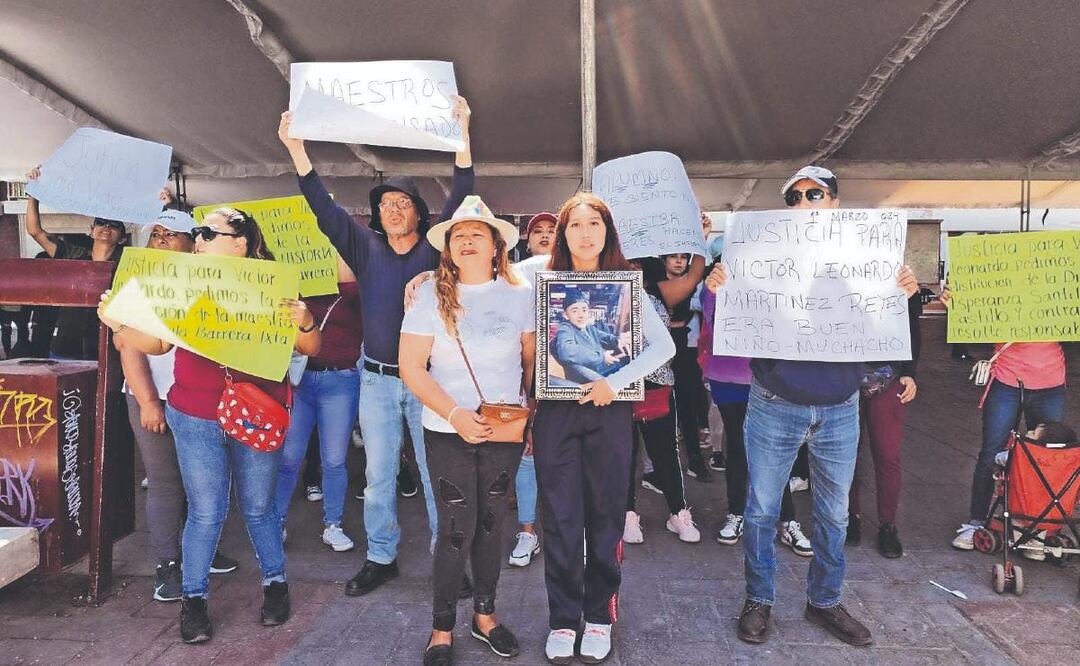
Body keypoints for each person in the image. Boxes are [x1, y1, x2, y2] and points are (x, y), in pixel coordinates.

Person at [705, 165, 918, 647]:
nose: (805, 203)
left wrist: (903, 291)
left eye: (815, 194)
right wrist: (718, 285)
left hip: (840, 404)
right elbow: (730, 314)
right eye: (796, 197)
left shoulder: (868, 258)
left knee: (835, 514)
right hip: (774, 402)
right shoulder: (759, 256)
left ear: (835, 204)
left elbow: (884, 322)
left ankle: (825, 600)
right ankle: (759, 598)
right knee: (760, 510)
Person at [278, 97, 475, 597]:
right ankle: (381, 556)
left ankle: (445, 562)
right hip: (378, 381)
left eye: (402, 203)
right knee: (379, 477)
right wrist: (297, 150)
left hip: (430, 381)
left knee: (435, 479)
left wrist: (463, 134)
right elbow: (322, 209)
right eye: (384, 204)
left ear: (419, 214)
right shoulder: (364, 246)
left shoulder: (436, 247)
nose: (391, 209)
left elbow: (463, 194)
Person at [98, 208, 322, 643]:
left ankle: (275, 585)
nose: (197, 240)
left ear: (240, 243)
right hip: (195, 413)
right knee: (206, 510)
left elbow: (312, 344)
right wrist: (120, 323)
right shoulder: (184, 284)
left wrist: (306, 321)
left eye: (206, 233)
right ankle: (194, 601)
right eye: (197, 234)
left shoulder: (273, 287)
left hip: (256, 412)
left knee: (258, 508)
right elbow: (159, 343)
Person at [517, 193, 676, 663]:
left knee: (606, 517)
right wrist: (427, 273)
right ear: (562, 234)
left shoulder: (628, 285)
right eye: (575, 225)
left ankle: (600, 615)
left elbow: (661, 347)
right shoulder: (538, 277)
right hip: (556, 415)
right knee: (561, 518)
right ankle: (564, 620)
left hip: (609, 413)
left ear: (608, 231)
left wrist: (617, 381)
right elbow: (486, 276)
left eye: (594, 224)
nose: (585, 233)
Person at [400, 196, 533, 665]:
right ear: (449, 248)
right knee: (457, 529)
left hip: (503, 432)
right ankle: (441, 627)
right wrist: (455, 414)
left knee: (492, 525)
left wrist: (529, 413)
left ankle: (485, 615)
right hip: (446, 429)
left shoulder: (520, 294)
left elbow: (529, 362)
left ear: (497, 244)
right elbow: (412, 368)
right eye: (459, 234)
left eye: (479, 232)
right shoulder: (427, 296)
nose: (469, 239)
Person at [113, 208, 240, 603]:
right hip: (153, 397)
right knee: (166, 482)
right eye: (156, 234)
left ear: (194, 242)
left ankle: (199, 550)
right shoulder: (137, 282)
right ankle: (168, 564)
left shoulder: (211, 280)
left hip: (197, 399)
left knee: (200, 483)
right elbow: (127, 346)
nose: (162, 240)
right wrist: (149, 402)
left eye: (173, 234)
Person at [939, 290, 1068, 551]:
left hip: (1051, 380)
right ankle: (976, 522)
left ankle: (1037, 527)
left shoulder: (1058, 273)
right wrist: (957, 306)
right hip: (1007, 379)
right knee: (991, 453)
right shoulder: (1002, 270)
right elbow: (975, 322)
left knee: (1047, 458)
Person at [699, 287, 811, 556]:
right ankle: (737, 513)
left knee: (773, 450)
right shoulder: (718, 279)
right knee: (737, 444)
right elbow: (711, 318)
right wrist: (713, 289)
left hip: (767, 375)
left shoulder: (776, 276)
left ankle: (787, 520)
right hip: (727, 374)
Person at [274, 254, 363, 552]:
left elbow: (349, 284)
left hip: (340, 381)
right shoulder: (295, 291)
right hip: (301, 381)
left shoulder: (351, 293)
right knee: (289, 457)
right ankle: (276, 523)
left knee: (335, 459)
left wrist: (337, 247)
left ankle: (333, 525)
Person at [623, 282, 700, 545]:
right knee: (624, 454)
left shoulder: (653, 301)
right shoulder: (604, 294)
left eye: (636, 265)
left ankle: (678, 511)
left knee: (665, 453)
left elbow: (662, 348)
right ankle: (627, 513)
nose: (631, 269)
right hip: (616, 388)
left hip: (655, 387)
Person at [25, 166, 128, 360]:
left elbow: (156, 252)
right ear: (91, 230)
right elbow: (35, 231)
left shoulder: (128, 262)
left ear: (123, 237)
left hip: (111, 348)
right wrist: (33, 193)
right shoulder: (72, 254)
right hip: (66, 344)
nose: (107, 227)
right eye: (101, 222)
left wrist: (164, 208)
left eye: (115, 225)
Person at [847, 293, 922, 558]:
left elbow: (912, 326)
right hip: (845, 372)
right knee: (845, 454)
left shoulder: (902, 279)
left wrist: (910, 373)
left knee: (887, 454)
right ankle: (849, 516)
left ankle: (888, 525)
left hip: (888, 376)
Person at [509, 212, 557, 568]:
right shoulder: (517, 273)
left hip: (569, 376)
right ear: (527, 240)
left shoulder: (582, 273)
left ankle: (567, 529)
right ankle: (528, 530)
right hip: (527, 372)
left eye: (551, 231)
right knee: (527, 452)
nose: (544, 236)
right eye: (537, 231)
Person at [662, 250, 713, 482]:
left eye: (684, 257)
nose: (679, 261)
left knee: (688, 406)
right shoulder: (655, 285)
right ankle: (658, 467)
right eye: (674, 257)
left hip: (689, 350)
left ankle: (695, 459)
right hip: (660, 353)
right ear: (665, 261)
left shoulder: (697, 285)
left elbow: (703, 304)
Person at [550, 291, 631, 383]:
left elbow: (603, 336)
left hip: (602, 368)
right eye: (574, 311)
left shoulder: (588, 327)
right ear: (565, 315)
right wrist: (601, 357)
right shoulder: (565, 329)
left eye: (584, 310)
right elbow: (566, 351)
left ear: (588, 313)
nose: (581, 315)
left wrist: (617, 341)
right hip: (595, 376)